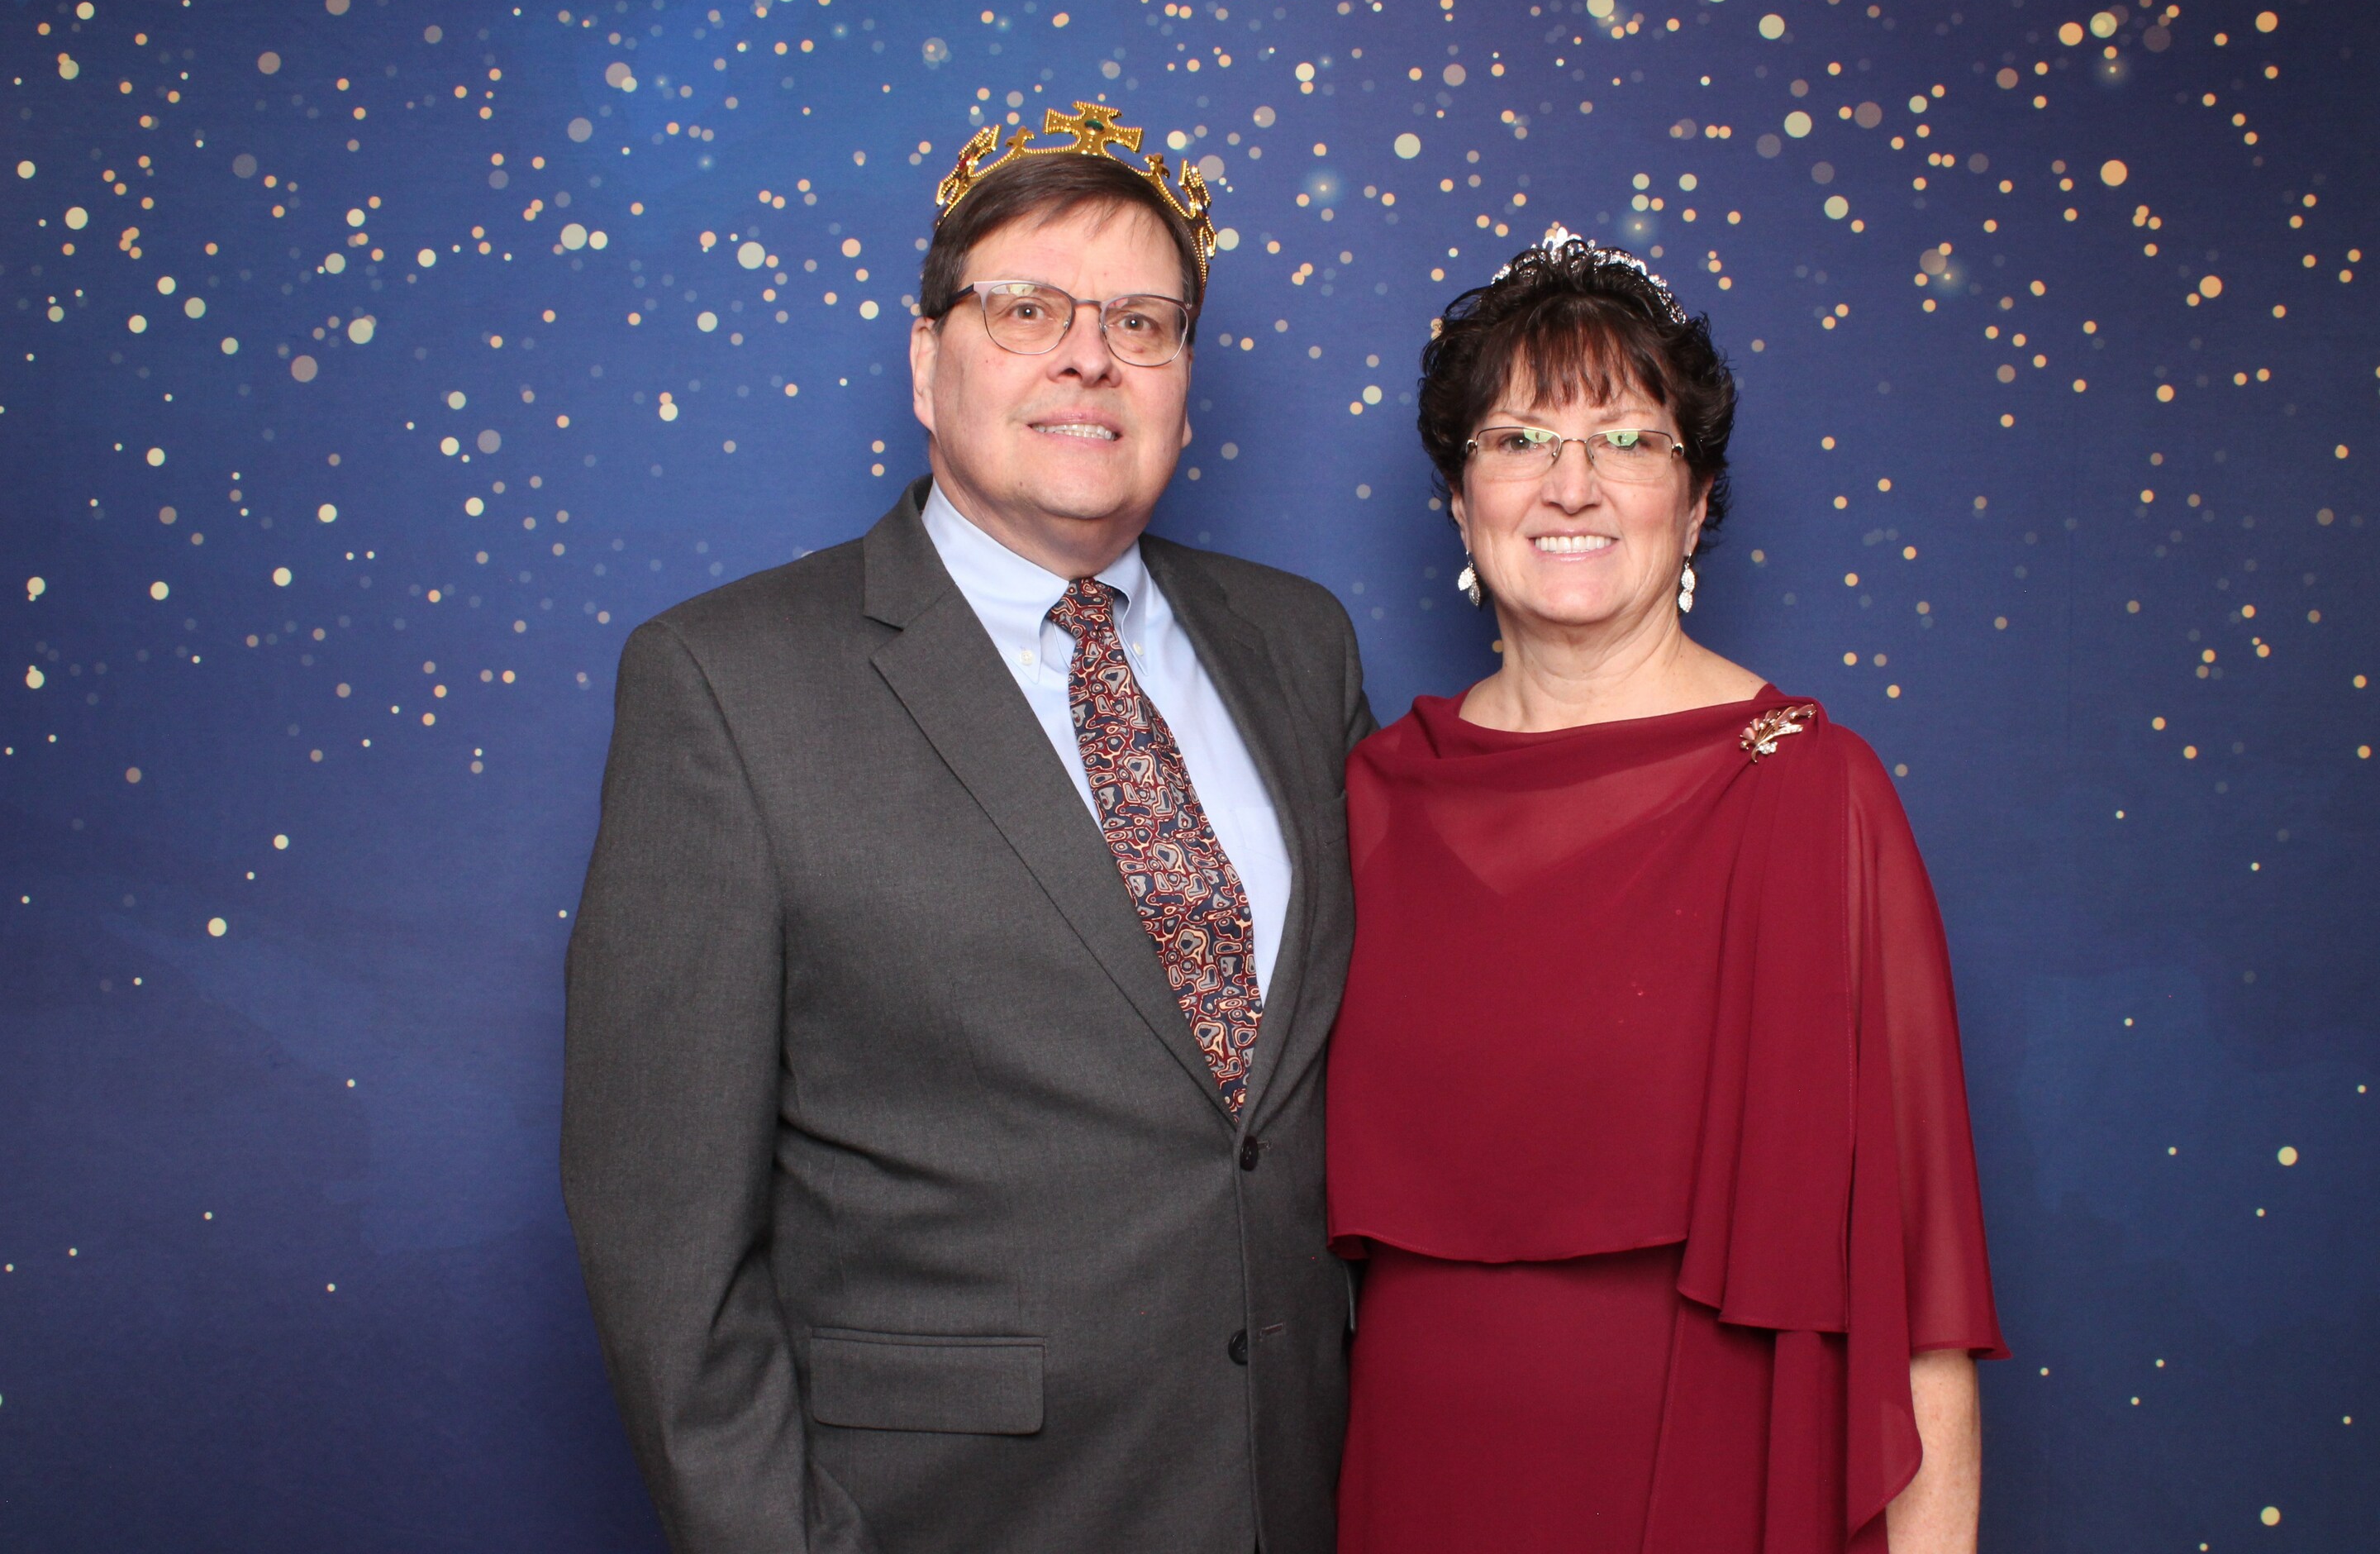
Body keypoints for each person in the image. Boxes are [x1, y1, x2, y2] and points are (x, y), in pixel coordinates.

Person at [563, 102, 1373, 1554]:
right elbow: (665, 1256)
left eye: (1142, 323)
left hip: (1299, 1492)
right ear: (926, 363)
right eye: (1027, 309)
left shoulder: (1298, 647)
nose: (1089, 357)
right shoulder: (727, 684)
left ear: (1184, 384)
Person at [1326, 228, 2006, 1554]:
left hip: (1707, 1481)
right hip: (1421, 1483)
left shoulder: (1811, 792)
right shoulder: (1373, 795)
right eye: (1519, 439)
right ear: (1461, 501)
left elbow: (1923, 1305)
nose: (1571, 485)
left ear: (1695, 506)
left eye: (1628, 441)